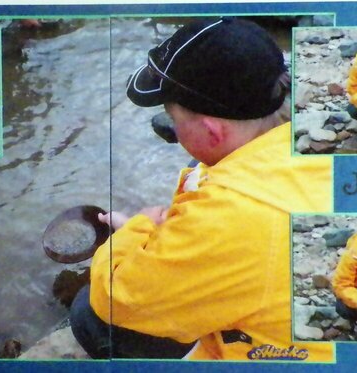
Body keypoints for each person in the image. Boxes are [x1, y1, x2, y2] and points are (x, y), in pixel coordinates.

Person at [70, 17, 334, 361]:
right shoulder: (318, 133)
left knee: (88, 315)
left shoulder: (231, 213)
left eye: (174, 119)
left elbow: (115, 300)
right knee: (200, 170)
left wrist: (138, 229)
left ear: (212, 132)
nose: (171, 129)